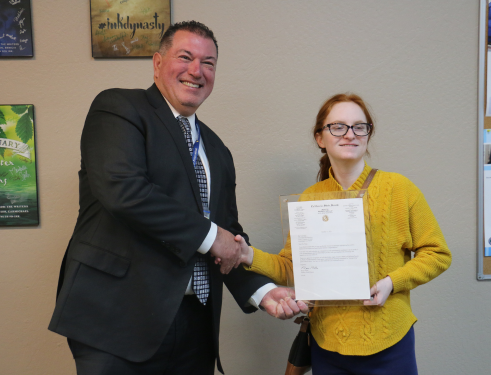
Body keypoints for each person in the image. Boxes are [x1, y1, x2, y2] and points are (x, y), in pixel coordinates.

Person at [48, 21, 307, 375]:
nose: (196, 70)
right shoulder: (119, 108)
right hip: (116, 320)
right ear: (157, 63)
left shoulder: (216, 149)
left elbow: (227, 233)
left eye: (209, 63)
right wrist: (214, 236)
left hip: (194, 326)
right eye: (185, 57)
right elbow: (124, 191)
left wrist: (261, 291)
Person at [238, 93, 452, 375]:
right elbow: (292, 268)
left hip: (390, 343)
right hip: (327, 345)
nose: (350, 134)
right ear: (320, 138)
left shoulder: (398, 189)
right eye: (338, 126)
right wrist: (247, 254)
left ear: (368, 134)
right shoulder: (310, 198)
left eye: (359, 126)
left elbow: (438, 254)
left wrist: (391, 282)